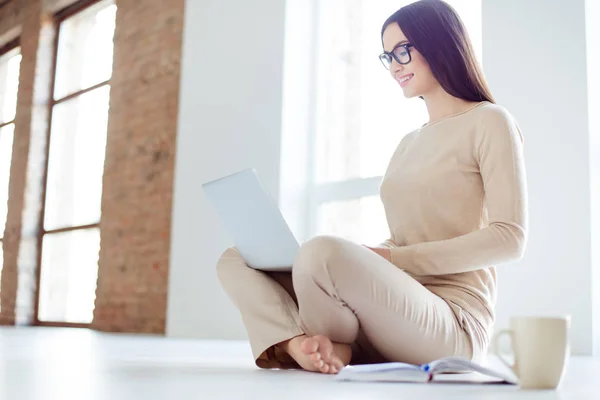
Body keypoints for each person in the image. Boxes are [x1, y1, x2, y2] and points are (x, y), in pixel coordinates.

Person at [216, 0, 528, 374]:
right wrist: (372, 256)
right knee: (237, 259)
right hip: (390, 311)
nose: (394, 66)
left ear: (440, 43)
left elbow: (509, 239)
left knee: (321, 253)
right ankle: (302, 344)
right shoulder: (408, 142)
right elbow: (404, 238)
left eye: (402, 51)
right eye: (387, 56)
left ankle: (327, 344)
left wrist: (389, 260)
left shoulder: (490, 122)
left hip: (452, 322)